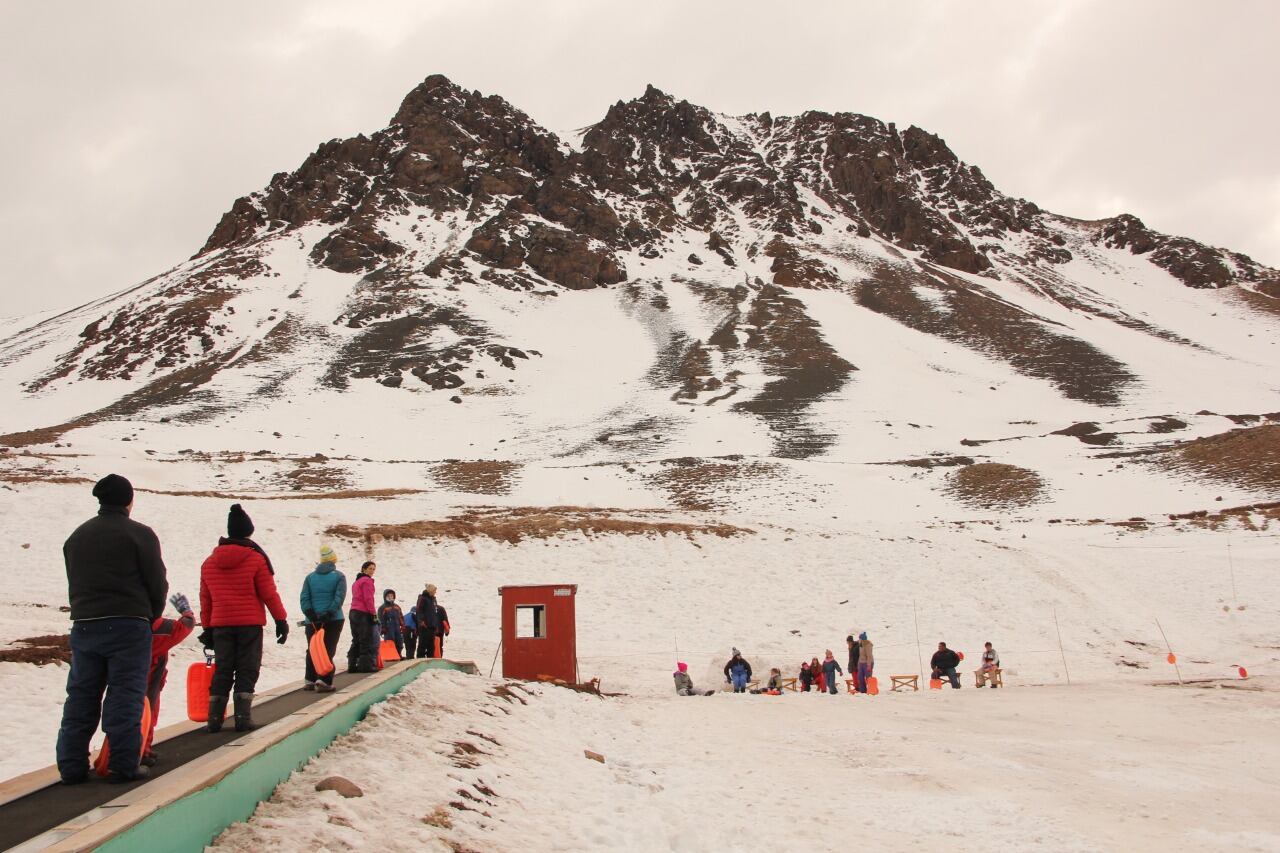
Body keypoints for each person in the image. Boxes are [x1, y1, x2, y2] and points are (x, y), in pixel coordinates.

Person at [57, 474, 168, 785]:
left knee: (81, 694)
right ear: (128, 501)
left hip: (85, 625)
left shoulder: (77, 536)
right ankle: (123, 764)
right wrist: (150, 616)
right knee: (125, 694)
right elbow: (157, 583)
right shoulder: (140, 535)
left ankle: (71, 766)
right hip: (129, 625)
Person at [199, 503, 289, 733]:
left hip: (221, 625)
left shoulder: (209, 563)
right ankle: (242, 716)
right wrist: (281, 620)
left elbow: (205, 599)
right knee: (247, 668)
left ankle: (214, 719)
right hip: (249, 624)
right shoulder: (256, 559)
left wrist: (208, 628)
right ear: (248, 531)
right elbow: (269, 593)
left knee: (223, 669)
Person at [142, 592, 196, 765]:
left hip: (123, 679)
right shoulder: (159, 628)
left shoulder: (123, 626)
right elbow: (185, 626)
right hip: (150, 681)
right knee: (147, 713)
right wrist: (186, 611)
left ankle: (140, 749)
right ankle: (141, 751)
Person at [300, 545, 346, 692]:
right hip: (333, 620)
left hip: (312, 620)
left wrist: (311, 614)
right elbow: (339, 597)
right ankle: (324, 680)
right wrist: (329, 613)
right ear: (333, 561)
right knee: (327, 648)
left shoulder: (310, 577)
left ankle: (310, 679)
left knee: (313, 648)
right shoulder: (339, 576)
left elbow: (304, 598)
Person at [346, 561, 378, 672]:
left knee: (356, 639)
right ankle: (365, 666)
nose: (372, 571)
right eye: (370, 568)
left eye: (373, 569)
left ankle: (352, 664)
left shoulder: (356, 582)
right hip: (363, 612)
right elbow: (368, 599)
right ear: (364, 569)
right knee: (365, 639)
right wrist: (373, 614)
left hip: (353, 612)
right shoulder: (367, 581)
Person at [415, 584, 441, 658]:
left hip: (432, 626)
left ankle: (430, 660)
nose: (435, 592)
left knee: (431, 646)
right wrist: (421, 621)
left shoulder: (433, 599)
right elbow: (419, 610)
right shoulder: (422, 598)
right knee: (422, 645)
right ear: (430, 591)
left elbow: (435, 613)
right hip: (424, 626)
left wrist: (436, 625)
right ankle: (419, 660)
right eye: (434, 591)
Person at [378, 590, 405, 658]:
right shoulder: (382, 608)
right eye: (388, 596)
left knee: (399, 641)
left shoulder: (397, 607)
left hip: (397, 626)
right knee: (390, 642)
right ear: (385, 597)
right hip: (388, 628)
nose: (390, 597)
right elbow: (380, 619)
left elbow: (401, 616)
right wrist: (382, 628)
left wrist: (403, 625)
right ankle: (390, 656)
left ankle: (398, 654)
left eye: (391, 596)